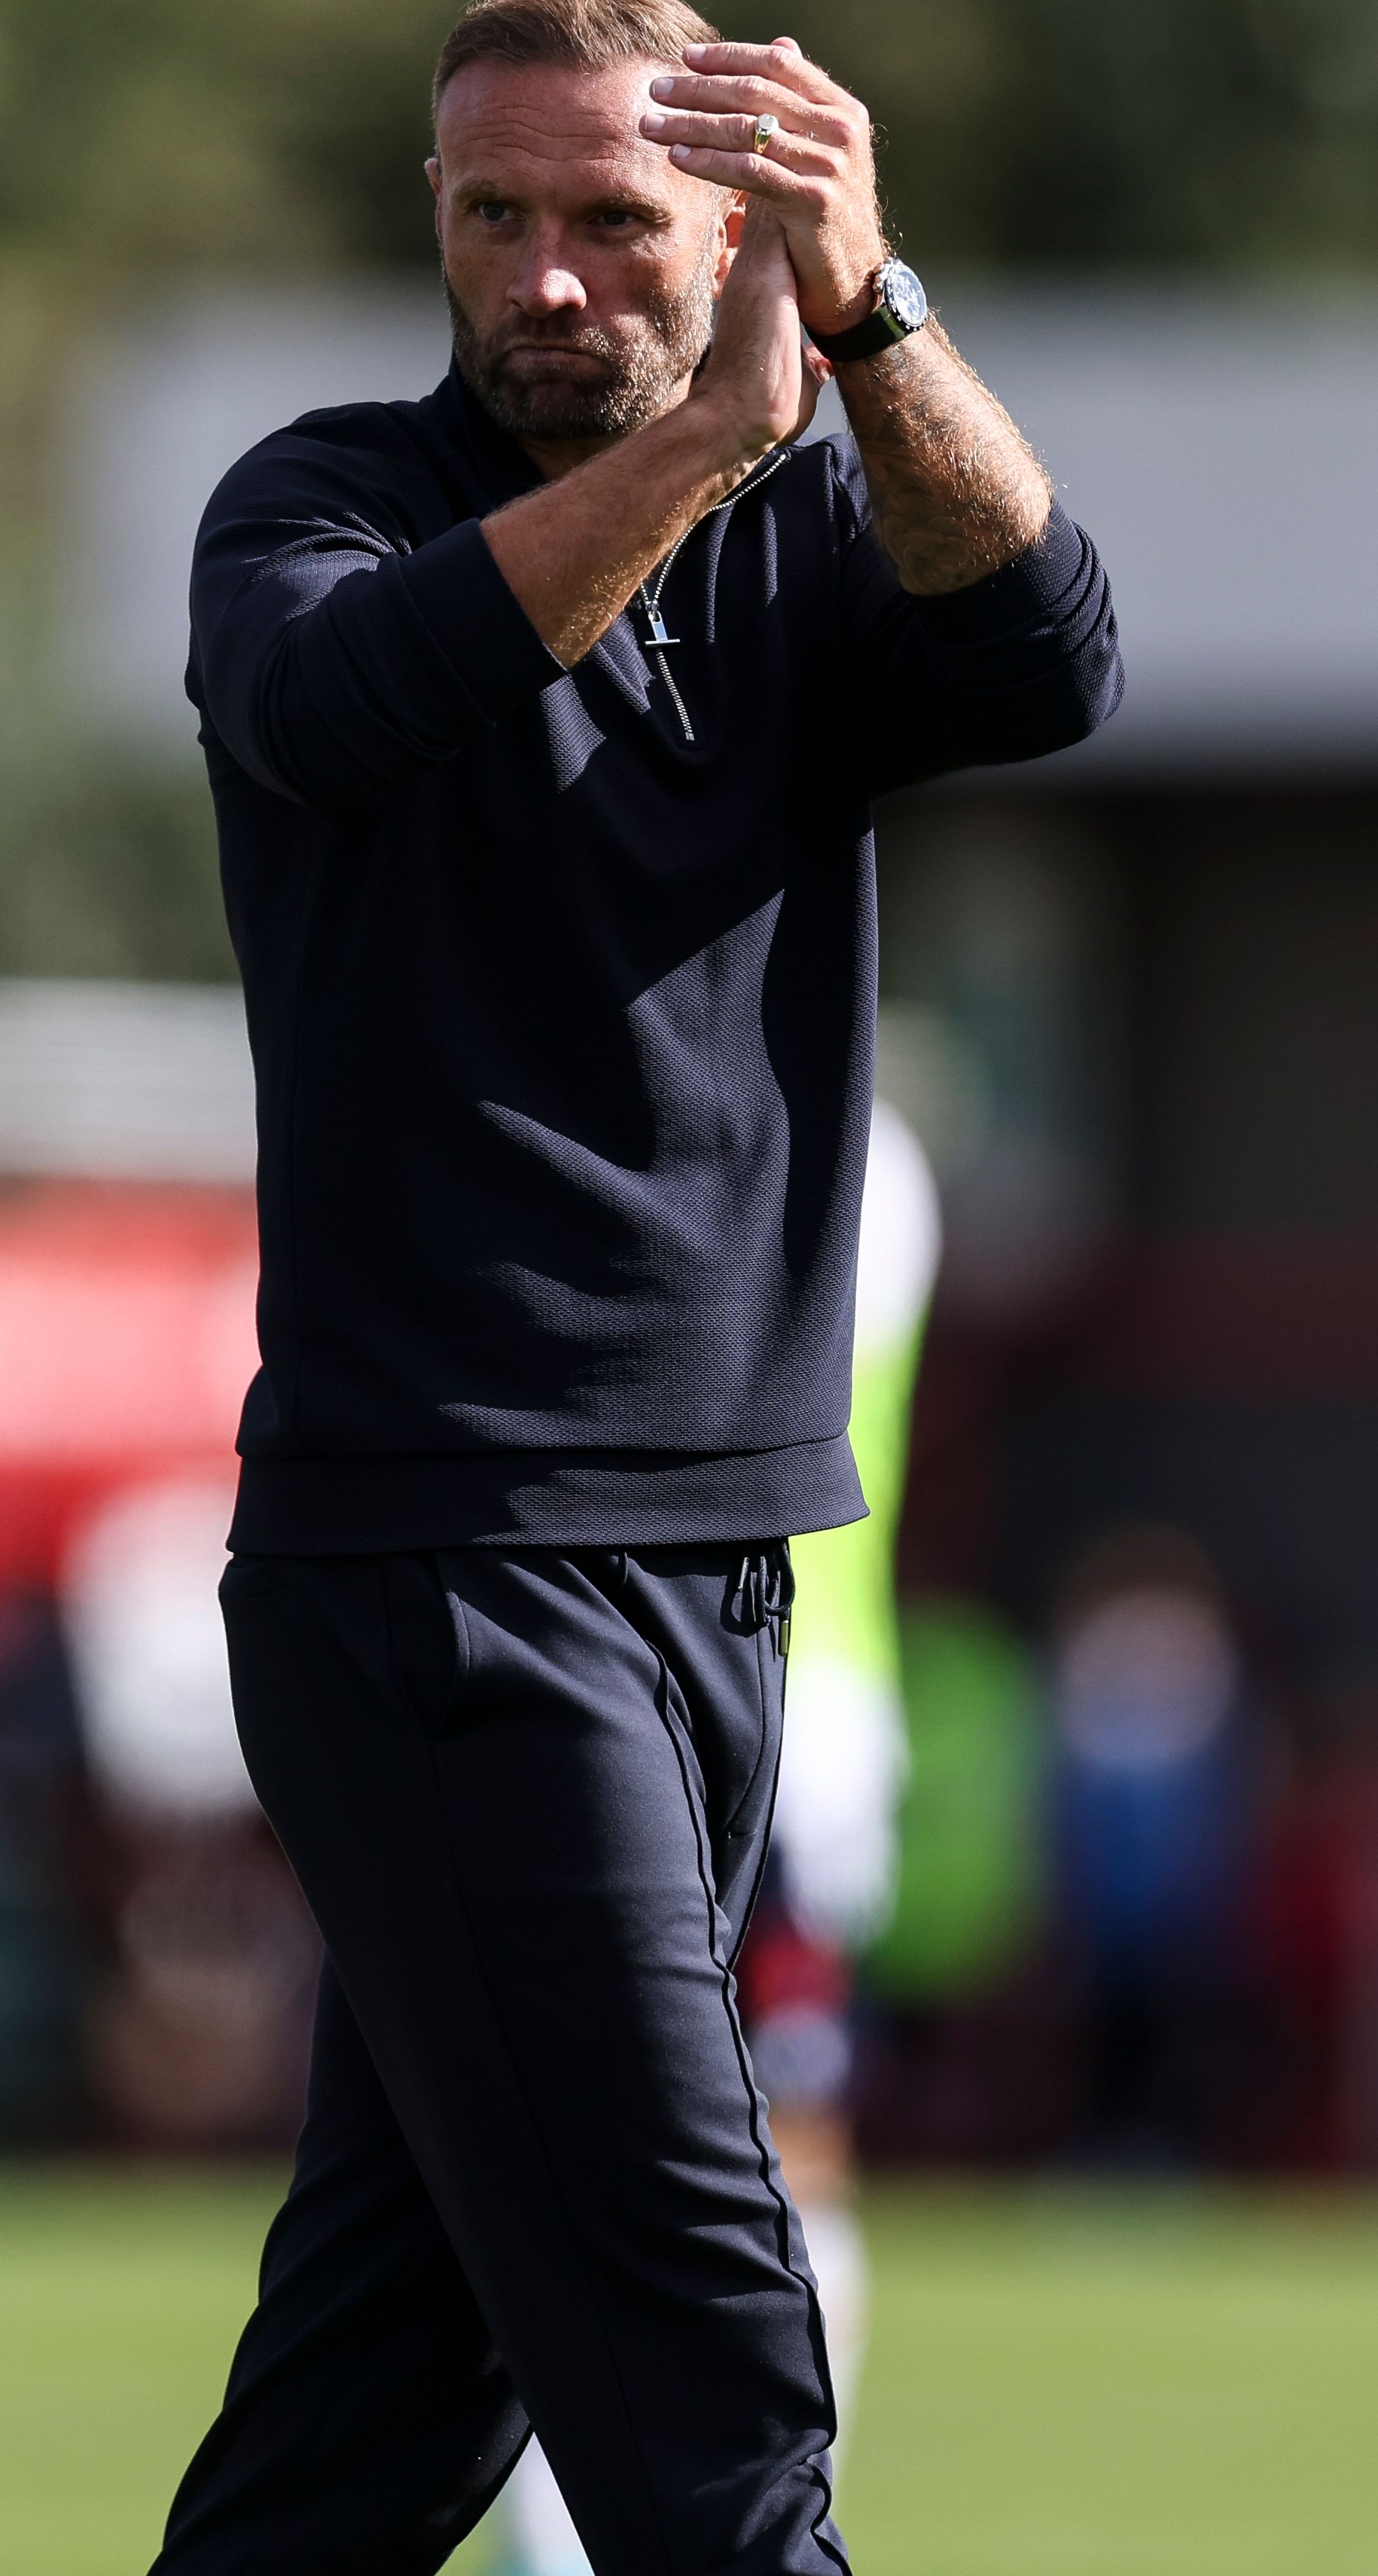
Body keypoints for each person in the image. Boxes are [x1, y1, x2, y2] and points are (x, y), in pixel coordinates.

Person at [156, 0, 1119, 2576]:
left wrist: (883, 315)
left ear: (732, 227)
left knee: (397, 2373)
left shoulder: (824, 509)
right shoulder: (320, 497)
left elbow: (1050, 654)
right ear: (437, 223)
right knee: (705, 2353)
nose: (551, 272)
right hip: (442, 1552)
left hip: (709, 1558)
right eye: (500, 216)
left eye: (615, 219)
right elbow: (349, 699)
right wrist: (711, 435)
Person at [496, 1098, 935, 2576]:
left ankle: (731, 2519)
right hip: (752, 1696)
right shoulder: (800, 1112)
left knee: (743, 2152)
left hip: (771, 1703)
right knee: (661, 2140)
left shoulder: (830, 1131)